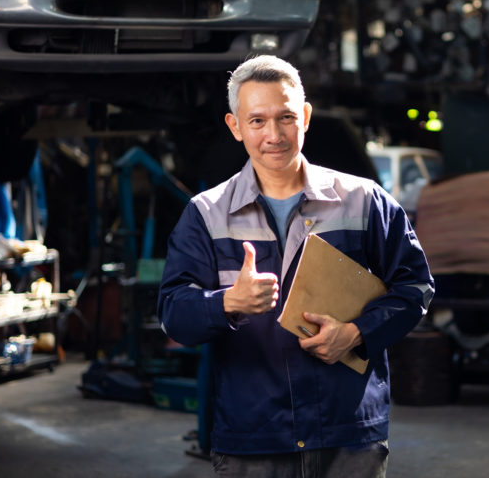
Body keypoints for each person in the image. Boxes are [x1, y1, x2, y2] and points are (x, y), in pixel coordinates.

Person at [158, 55, 434, 478]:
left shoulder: (364, 201)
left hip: (348, 436)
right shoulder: (206, 215)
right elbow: (175, 315)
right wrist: (227, 303)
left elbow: (414, 288)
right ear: (235, 126)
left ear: (305, 115)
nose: (274, 135)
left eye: (285, 117)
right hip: (254, 438)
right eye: (257, 121)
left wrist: (357, 334)